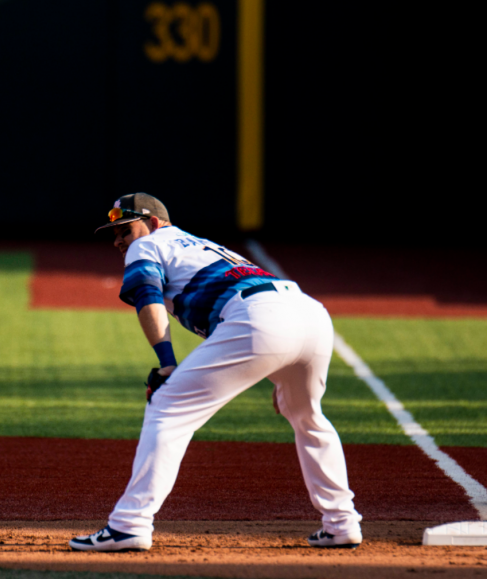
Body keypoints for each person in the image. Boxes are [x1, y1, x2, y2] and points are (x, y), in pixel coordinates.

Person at [69, 193, 362, 552]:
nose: (119, 241)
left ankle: (129, 525)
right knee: (308, 417)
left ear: (154, 222)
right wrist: (283, 371)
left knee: (167, 408)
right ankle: (342, 523)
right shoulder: (202, 244)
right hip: (309, 313)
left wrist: (166, 363)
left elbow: (148, 296)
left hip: (260, 317)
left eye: (125, 229)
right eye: (114, 234)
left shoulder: (148, 245)